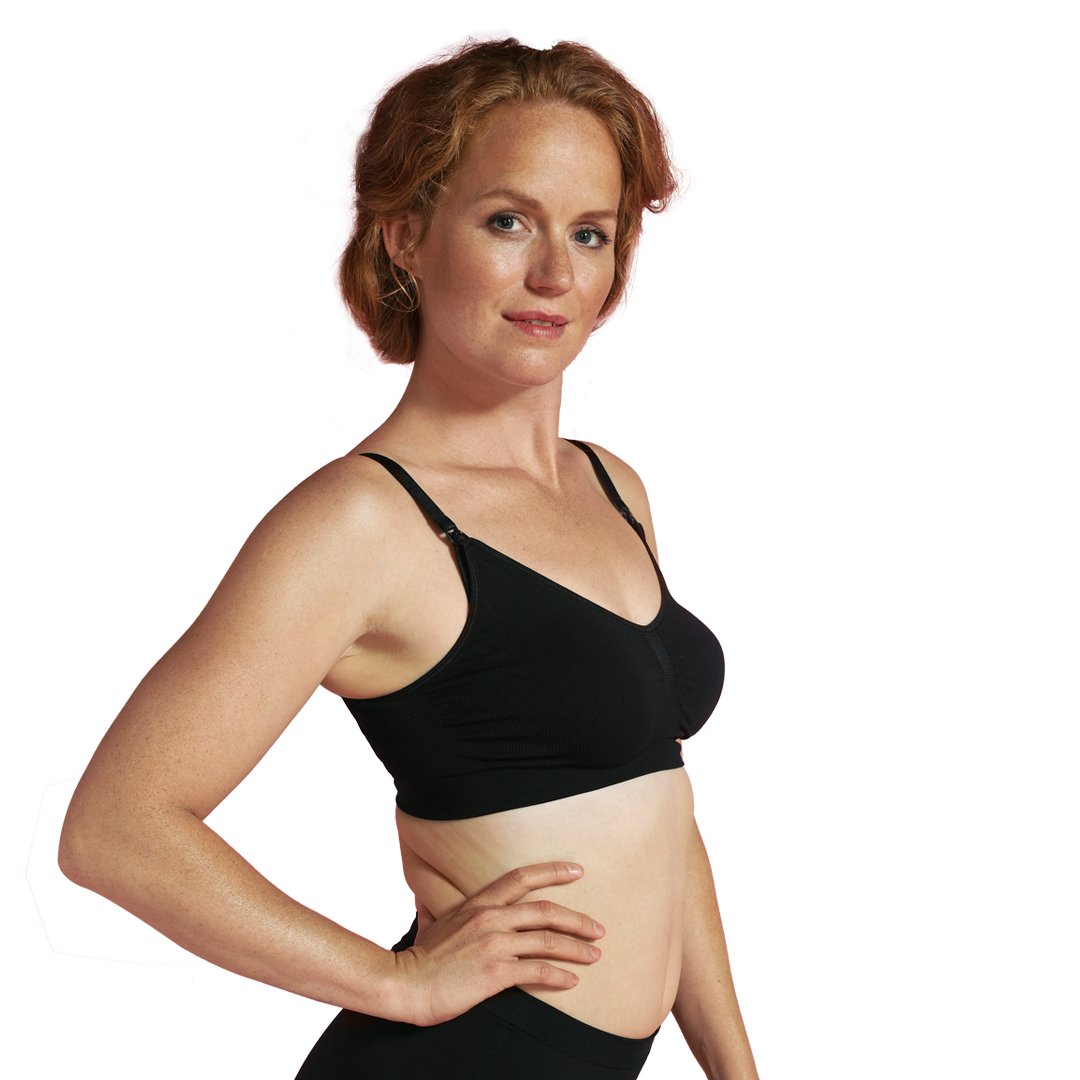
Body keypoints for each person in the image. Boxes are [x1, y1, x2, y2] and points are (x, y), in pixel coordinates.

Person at [59, 38, 759, 1080]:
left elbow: (662, 820)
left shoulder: (611, 486)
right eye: (508, 221)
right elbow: (115, 829)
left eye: (591, 232)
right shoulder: (362, 523)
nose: (555, 274)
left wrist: (738, 1072)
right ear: (407, 238)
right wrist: (399, 984)